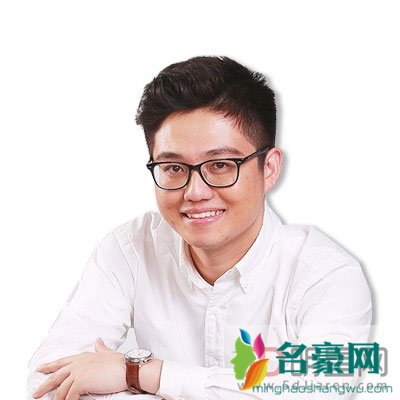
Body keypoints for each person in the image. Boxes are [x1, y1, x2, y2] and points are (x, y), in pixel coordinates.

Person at [28, 56, 372, 400]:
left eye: (220, 165)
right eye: (173, 168)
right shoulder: (130, 248)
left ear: (268, 168)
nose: (195, 192)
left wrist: (140, 373)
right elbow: (48, 381)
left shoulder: (327, 276)